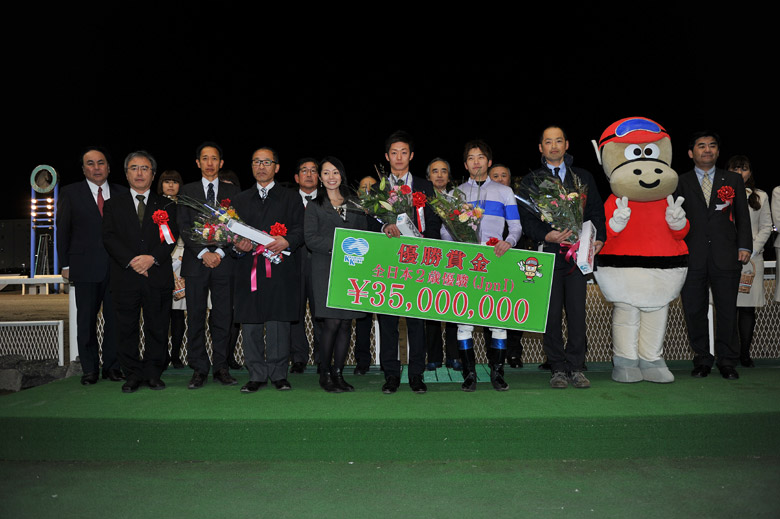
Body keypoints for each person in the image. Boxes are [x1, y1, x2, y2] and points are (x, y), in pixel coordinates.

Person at [518, 126, 606, 389]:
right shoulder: (532, 180)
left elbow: (596, 212)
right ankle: (556, 367)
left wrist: (599, 239)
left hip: (578, 255)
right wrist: (547, 235)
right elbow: (526, 220)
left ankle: (576, 367)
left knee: (577, 313)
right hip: (548, 254)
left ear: (567, 145)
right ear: (540, 147)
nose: (554, 146)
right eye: (548, 142)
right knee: (551, 314)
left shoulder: (583, 177)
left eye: (558, 141)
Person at [440, 140, 522, 391]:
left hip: (495, 260)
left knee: (497, 319)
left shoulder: (504, 192)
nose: (476, 162)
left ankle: (497, 373)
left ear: (489, 161)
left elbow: (516, 227)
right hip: (466, 263)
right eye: (471, 158)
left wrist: (508, 242)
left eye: (481, 157)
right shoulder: (455, 194)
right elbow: (444, 230)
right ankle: (469, 374)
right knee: (464, 321)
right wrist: (458, 245)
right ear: (465, 164)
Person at [675, 131, 751, 380]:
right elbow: (673, 219)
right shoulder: (679, 181)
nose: (707, 150)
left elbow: (742, 216)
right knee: (694, 310)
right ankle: (702, 360)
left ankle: (727, 361)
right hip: (691, 256)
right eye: (701, 146)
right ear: (691, 153)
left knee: (727, 311)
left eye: (712, 146)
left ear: (718, 151)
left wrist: (745, 246)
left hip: (726, 255)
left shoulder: (733, 180)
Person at [371, 130, 441, 394]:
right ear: (386, 156)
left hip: (417, 261)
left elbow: (434, 222)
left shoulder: (425, 186)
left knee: (416, 321)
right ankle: (391, 374)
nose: (399, 157)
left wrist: (423, 241)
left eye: (403, 152)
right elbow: (368, 222)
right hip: (387, 262)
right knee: (387, 320)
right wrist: (384, 227)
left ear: (411, 155)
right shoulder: (377, 188)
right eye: (394, 153)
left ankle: (416, 375)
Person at [102, 150, 178, 393]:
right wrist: (133, 262)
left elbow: (171, 238)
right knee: (126, 329)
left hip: (157, 276)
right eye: (134, 168)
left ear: (153, 174)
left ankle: (154, 373)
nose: (139, 173)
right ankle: (132, 374)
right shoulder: (113, 205)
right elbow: (109, 238)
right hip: (125, 277)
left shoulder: (166, 205)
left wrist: (151, 259)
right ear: (126, 174)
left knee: (158, 327)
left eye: (145, 168)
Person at [232, 147, 304, 393]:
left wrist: (287, 241)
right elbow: (231, 235)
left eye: (266, 162)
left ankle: (279, 374)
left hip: (280, 268)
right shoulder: (240, 200)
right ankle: (256, 374)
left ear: (277, 167)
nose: (261, 167)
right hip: (249, 269)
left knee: (278, 323)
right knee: (250, 322)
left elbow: (300, 229)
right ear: (251, 166)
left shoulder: (291, 198)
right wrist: (238, 246)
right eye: (256, 162)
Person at [56, 146, 127, 385]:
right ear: (83, 168)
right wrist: (65, 264)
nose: (96, 168)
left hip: (117, 268)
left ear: (109, 167)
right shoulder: (70, 193)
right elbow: (63, 230)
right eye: (90, 163)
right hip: (84, 266)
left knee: (115, 320)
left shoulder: (122, 192)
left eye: (101, 163)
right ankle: (89, 369)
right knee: (86, 320)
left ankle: (112, 367)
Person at [178, 142, 241, 389]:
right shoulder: (187, 190)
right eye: (204, 158)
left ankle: (221, 367)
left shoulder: (233, 191)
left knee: (223, 317)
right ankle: (199, 368)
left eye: (214, 158)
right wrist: (204, 252)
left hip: (225, 263)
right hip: (196, 262)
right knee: (195, 317)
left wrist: (221, 253)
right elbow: (183, 225)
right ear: (197, 162)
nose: (209, 163)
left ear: (221, 163)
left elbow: (238, 226)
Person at [304, 156, 368, 392]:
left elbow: (364, 236)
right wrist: (341, 245)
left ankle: (339, 373)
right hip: (325, 270)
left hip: (351, 270)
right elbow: (310, 239)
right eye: (326, 173)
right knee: (331, 323)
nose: (331, 177)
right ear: (320, 178)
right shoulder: (314, 205)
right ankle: (324, 373)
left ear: (342, 175)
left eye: (335, 172)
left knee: (345, 324)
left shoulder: (355, 204)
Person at [725, 156, 772, 367]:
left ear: (750, 172)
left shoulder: (760, 196)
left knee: (747, 309)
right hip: (725, 258)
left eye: (743, 169)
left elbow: (766, 226)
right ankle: (729, 353)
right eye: (735, 169)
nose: (739, 173)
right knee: (727, 309)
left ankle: (744, 354)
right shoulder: (721, 194)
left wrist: (750, 250)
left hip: (752, 260)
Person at [486, 163, 526, 368]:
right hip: (488, 261)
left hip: (513, 259)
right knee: (488, 307)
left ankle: (514, 353)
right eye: (495, 176)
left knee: (512, 305)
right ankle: (493, 356)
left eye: (504, 175)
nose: (500, 179)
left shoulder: (517, 202)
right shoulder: (482, 204)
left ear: (510, 180)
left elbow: (520, 229)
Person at [424, 157, 461, 371]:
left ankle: (454, 356)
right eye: (435, 171)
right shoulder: (421, 199)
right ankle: (434, 356)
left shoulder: (457, 199)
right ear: (428, 176)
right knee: (431, 306)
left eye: (444, 171)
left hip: (453, 259)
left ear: (449, 176)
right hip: (428, 257)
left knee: (453, 306)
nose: (439, 175)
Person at [289, 157, 321, 374]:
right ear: (296, 177)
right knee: (295, 311)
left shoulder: (328, 200)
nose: (309, 175)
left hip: (320, 264)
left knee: (321, 312)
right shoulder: (288, 201)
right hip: (293, 263)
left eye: (313, 170)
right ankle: (298, 357)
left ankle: (322, 357)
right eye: (304, 171)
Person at [157, 170, 186, 369]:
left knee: (178, 314)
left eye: (174, 182)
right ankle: (162, 355)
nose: (170, 185)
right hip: (161, 261)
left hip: (183, 261)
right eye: (166, 181)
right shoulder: (154, 204)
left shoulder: (185, 205)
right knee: (161, 313)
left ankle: (176, 355)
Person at [217, 168, 243, 370]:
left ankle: (229, 354)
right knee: (218, 313)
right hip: (215, 265)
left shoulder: (241, 208)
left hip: (237, 267)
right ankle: (218, 354)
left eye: (229, 186)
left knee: (235, 314)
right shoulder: (212, 211)